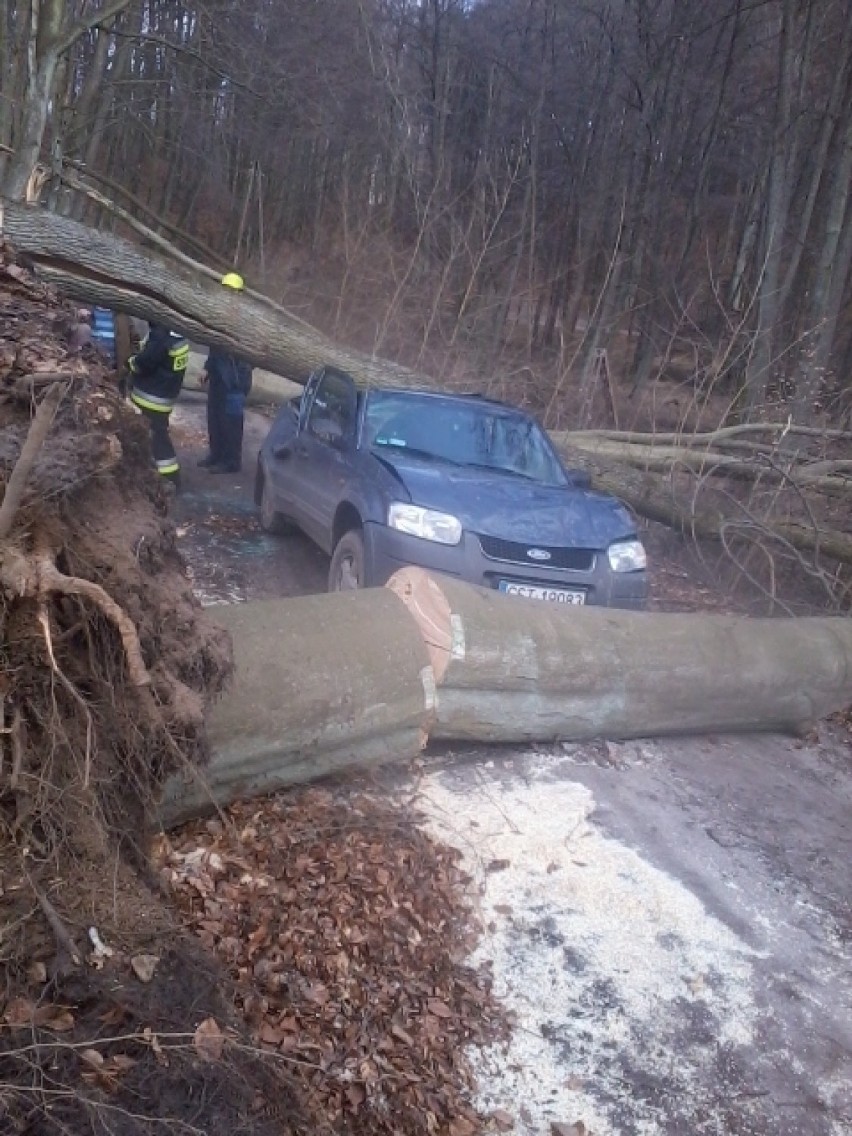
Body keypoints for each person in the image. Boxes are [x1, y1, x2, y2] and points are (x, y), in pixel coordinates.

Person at [198, 272, 253, 473]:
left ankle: (231, 461)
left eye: (231, 292)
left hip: (235, 381)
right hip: (219, 378)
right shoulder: (219, 316)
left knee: (231, 422)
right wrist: (207, 368)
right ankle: (216, 454)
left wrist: (239, 375)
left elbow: (251, 355)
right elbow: (215, 349)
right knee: (215, 418)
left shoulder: (246, 322)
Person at [125, 322, 190, 486]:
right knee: (157, 435)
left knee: (157, 438)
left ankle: (170, 479)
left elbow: (145, 362)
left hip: (150, 398)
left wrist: (132, 363)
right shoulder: (179, 335)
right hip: (165, 396)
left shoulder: (161, 336)